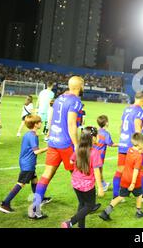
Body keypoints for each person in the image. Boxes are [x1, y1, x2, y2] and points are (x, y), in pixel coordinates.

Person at [28, 76, 85, 220]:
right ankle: (86, 204)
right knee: (78, 174)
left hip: (53, 142)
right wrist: (77, 145)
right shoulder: (76, 101)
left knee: (47, 174)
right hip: (66, 144)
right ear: (80, 86)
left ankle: (34, 208)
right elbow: (72, 125)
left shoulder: (59, 98)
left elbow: (52, 118)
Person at [0, 115, 49, 213]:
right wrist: (48, 147)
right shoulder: (33, 136)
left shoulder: (28, 134)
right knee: (20, 183)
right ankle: (5, 204)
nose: (41, 123)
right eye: (40, 122)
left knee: (35, 180)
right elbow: (36, 152)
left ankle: (40, 198)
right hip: (28, 164)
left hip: (25, 161)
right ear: (35, 124)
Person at [61, 126, 105, 228]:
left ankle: (81, 226)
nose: (98, 137)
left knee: (82, 204)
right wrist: (100, 188)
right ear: (92, 138)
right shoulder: (94, 152)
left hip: (75, 182)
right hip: (87, 185)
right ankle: (70, 222)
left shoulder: (78, 149)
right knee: (90, 206)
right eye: (96, 135)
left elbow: (71, 161)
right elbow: (96, 171)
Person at [99, 132, 143, 221]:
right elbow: (136, 170)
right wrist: (133, 183)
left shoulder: (129, 150)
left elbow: (134, 154)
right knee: (139, 195)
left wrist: (140, 151)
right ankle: (138, 212)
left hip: (124, 178)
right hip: (133, 180)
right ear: (139, 143)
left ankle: (105, 212)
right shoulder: (139, 157)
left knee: (121, 196)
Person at [112, 91, 143, 201]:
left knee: (120, 170)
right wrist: (141, 146)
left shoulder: (127, 109)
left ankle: (116, 196)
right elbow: (138, 129)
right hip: (133, 145)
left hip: (123, 143)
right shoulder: (140, 111)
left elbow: (121, 126)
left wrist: (123, 139)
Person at [94, 115, 117, 192]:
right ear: (106, 123)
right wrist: (122, 144)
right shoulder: (106, 133)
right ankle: (99, 187)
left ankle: (103, 184)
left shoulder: (96, 131)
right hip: (100, 155)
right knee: (98, 171)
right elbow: (110, 144)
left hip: (92, 154)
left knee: (98, 170)